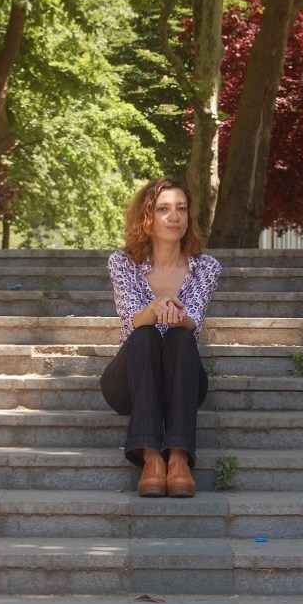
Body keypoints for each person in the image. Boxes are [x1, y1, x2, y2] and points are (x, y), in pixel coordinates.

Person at [100, 177, 221, 498]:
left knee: (181, 338)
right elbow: (132, 319)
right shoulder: (123, 262)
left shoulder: (205, 267)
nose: (174, 217)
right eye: (163, 209)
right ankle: (152, 458)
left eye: (181, 208)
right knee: (145, 334)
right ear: (147, 217)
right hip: (130, 379)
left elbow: (194, 321)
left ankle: (179, 459)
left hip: (181, 379)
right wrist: (156, 307)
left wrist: (177, 314)